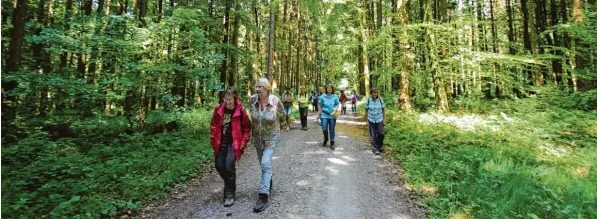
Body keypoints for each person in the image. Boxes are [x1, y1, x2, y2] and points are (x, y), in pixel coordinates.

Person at [209, 87, 252, 207]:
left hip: (234, 142)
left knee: (229, 165)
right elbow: (213, 125)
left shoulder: (241, 111)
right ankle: (229, 183)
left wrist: (243, 143)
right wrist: (213, 138)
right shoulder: (218, 109)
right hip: (220, 142)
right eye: (226, 99)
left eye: (230, 100)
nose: (227, 102)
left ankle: (229, 194)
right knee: (219, 165)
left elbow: (247, 128)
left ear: (235, 99)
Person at [249, 78, 287, 212]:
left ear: (268, 88)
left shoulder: (276, 101)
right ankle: (268, 179)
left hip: (271, 137)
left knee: (265, 163)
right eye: (257, 86)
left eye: (261, 87)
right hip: (258, 139)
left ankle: (263, 195)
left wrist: (282, 127)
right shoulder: (252, 100)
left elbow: (283, 116)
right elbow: (252, 117)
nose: (258, 89)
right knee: (263, 164)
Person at [318, 84, 341, 150]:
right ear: (326, 89)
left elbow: (337, 104)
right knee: (324, 129)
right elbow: (319, 105)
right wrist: (319, 113)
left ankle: (332, 143)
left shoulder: (335, 96)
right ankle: (326, 139)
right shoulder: (322, 96)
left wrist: (334, 111)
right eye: (328, 88)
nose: (329, 89)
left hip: (332, 115)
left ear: (332, 89)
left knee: (332, 129)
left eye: (330, 88)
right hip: (324, 115)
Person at [364, 88, 385, 155]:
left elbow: (383, 109)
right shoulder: (368, 100)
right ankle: (375, 149)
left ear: (377, 93)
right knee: (372, 135)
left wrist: (384, 119)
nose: (374, 94)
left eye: (375, 93)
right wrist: (366, 120)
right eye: (373, 93)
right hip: (371, 119)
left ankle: (380, 145)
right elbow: (366, 110)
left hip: (379, 119)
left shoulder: (380, 100)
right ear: (371, 94)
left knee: (380, 133)